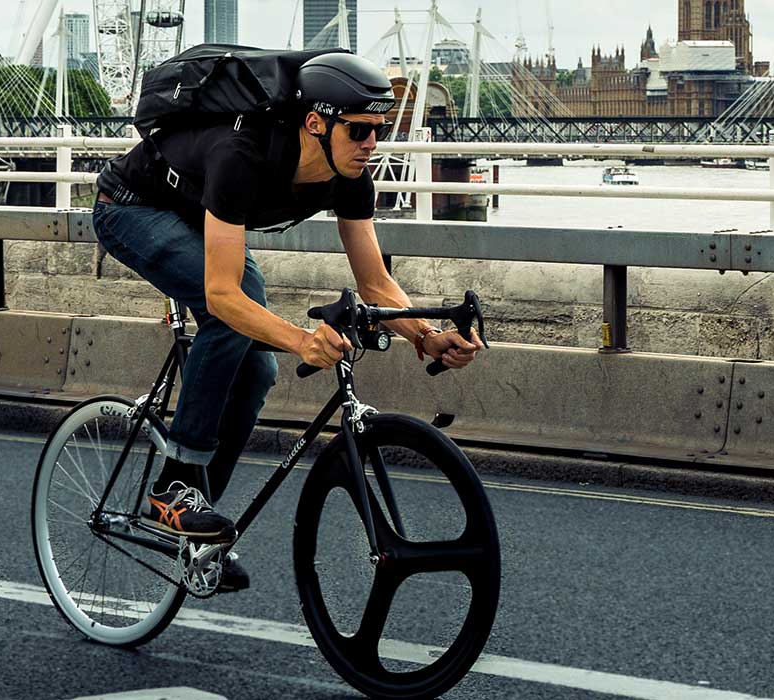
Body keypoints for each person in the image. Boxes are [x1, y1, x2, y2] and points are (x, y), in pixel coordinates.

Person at [92, 52, 484, 591]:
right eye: (360, 131)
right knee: (238, 305)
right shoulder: (243, 152)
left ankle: (195, 526)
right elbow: (224, 293)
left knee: (257, 374)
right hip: (132, 207)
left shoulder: (349, 173)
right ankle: (173, 490)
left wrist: (429, 336)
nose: (373, 145)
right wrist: (302, 340)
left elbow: (374, 282)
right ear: (316, 123)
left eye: (379, 130)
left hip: (197, 212)